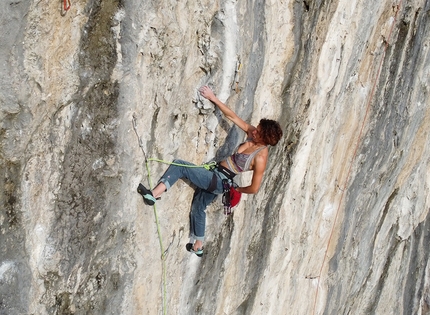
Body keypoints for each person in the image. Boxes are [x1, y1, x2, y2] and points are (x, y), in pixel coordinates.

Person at [137, 85, 283, 257]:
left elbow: (255, 188)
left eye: (258, 132)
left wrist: (238, 189)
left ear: (264, 139)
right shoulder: (253, 134)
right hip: (216, 177)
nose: (254, 130)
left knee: (180, 165)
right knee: (198, 208)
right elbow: (232, 116)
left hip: (219, 180)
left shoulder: (260, 158)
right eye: (257, 128)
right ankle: (198, 245)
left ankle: (153, 195)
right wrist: (213, 98)